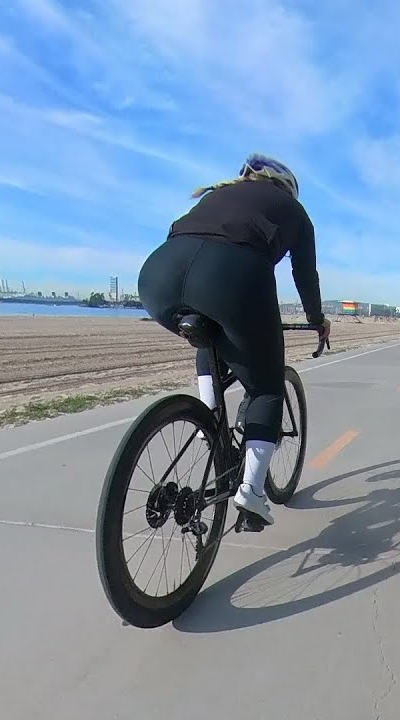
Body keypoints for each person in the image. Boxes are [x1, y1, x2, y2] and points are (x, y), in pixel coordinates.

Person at [136, 153, 331, 529]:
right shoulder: (294, 209)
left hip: (158, 276)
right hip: (229, 276)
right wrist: (316, 320)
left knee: (207, 338)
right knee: (267, 390)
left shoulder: (214, 196)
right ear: (285, 187)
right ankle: (252, 492)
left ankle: (209, 423)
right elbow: (305, 273)